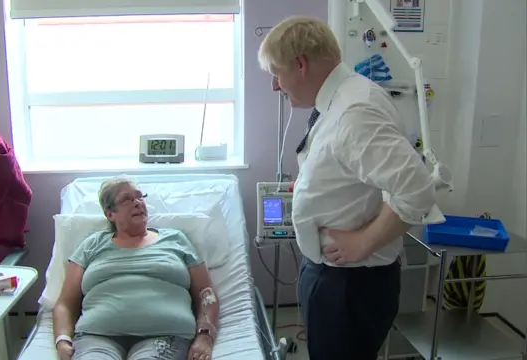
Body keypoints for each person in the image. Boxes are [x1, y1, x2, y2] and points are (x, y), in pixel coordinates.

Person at [258, 16, 437, 359]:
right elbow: (351, 163)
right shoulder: (344, 97)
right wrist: (315, 181)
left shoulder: (355, 112)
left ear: (301, 64)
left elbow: (417, 191)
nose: (275, 86)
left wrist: (363, 242)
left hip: (349, 285)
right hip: (337, 280)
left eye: (276, 73)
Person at [53, 176, 220, 360]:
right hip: (97, 337)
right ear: (110, 214)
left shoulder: (176, 240)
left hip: (165, 334)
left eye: (140, 197)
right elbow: (66, 303)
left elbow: (206, 293)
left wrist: (205, 335)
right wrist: (62, 340)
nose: (138, 203)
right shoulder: (92, 245)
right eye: (127, 199)